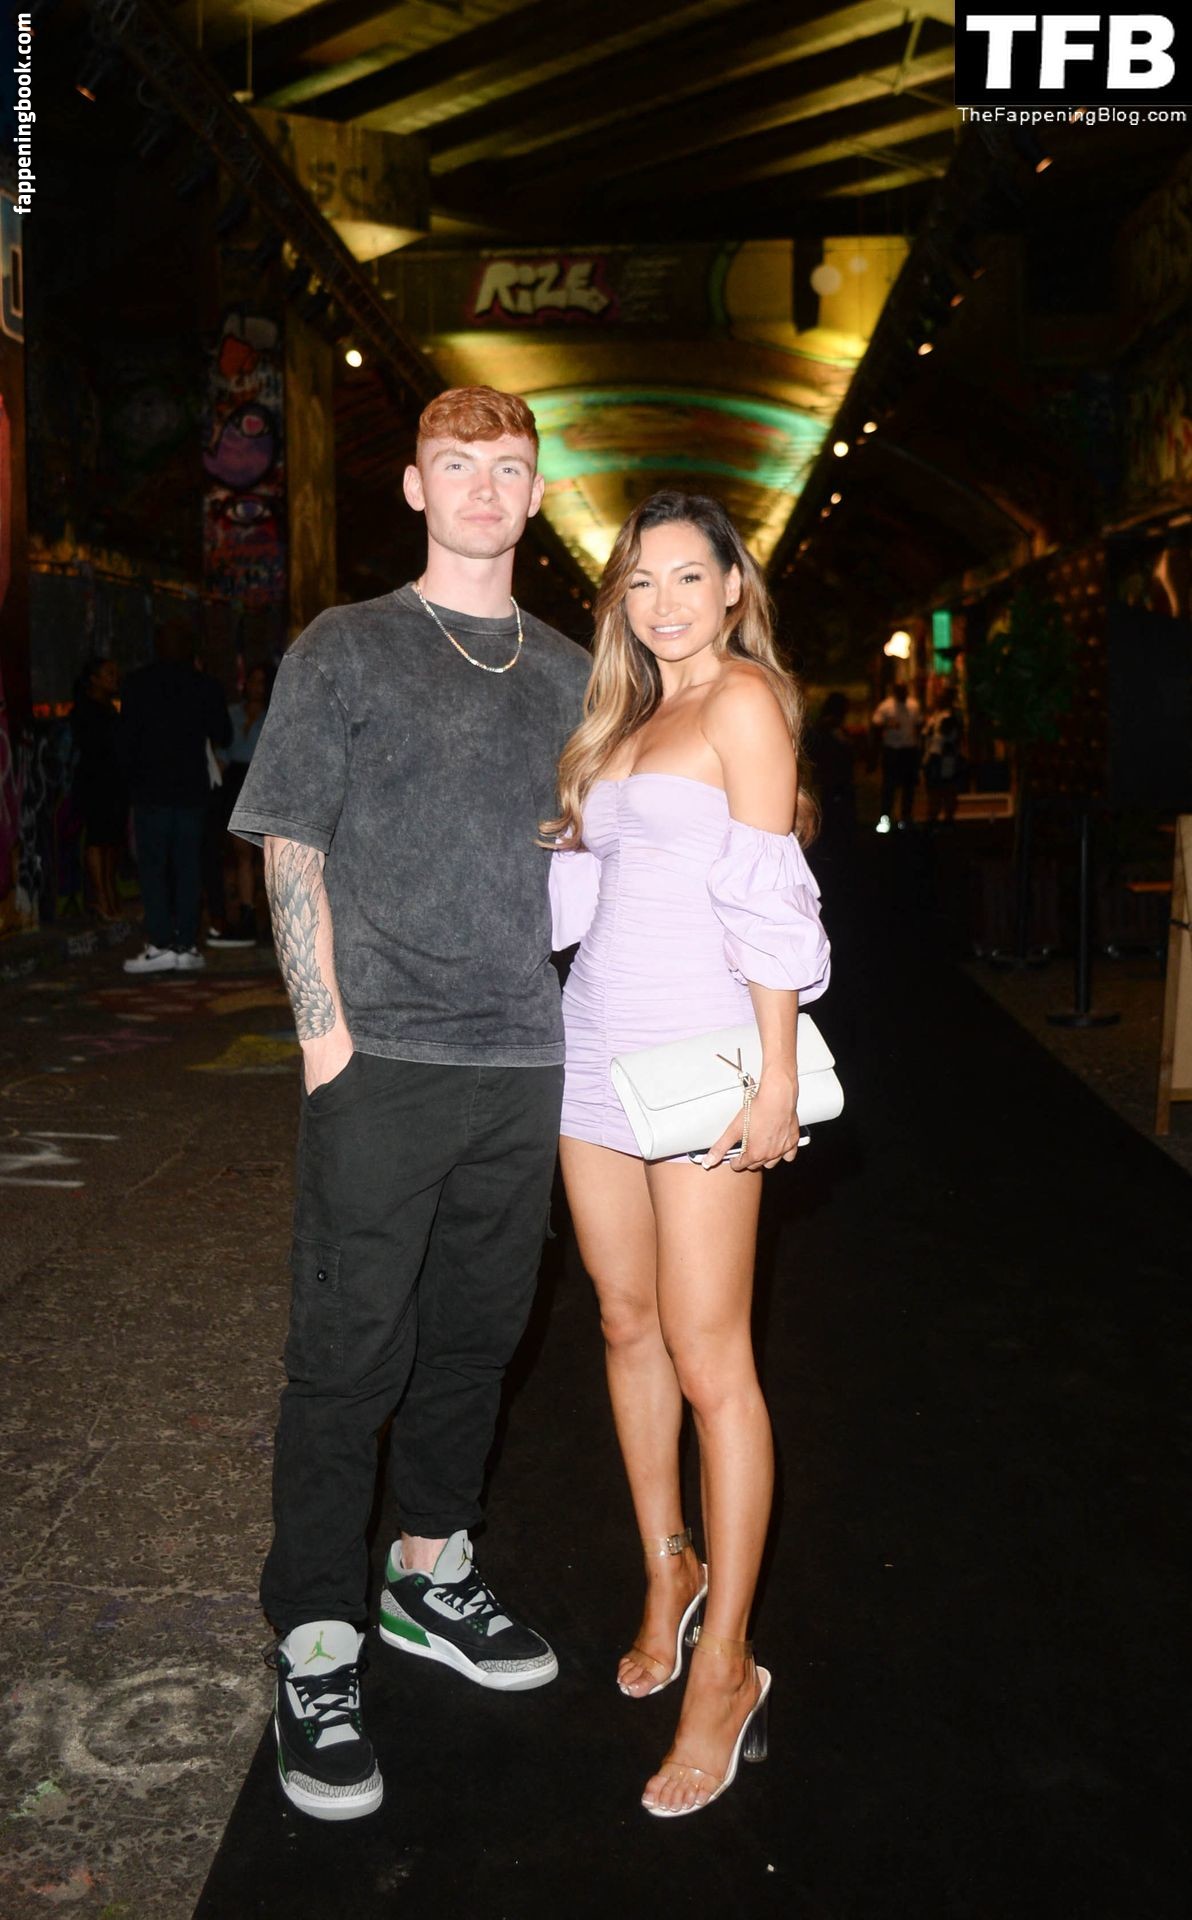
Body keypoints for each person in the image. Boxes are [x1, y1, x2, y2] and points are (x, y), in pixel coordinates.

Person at [229, 387, 590, 1822]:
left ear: (537, 491)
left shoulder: (576, 672)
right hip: (381, 1059)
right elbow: (289, 845)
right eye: (459, 465)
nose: (485, 489)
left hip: (526, 1061)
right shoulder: (347, 644)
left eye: (508, 467)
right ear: (415, 486)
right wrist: (328, 1046)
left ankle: (429, 1573)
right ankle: (317, 1639)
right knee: (346, 1360)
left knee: (478, 1340)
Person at [546, 491, 830, 1818]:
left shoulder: (745, 704)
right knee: (623, 1320)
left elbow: (768, 894)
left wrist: (777, 1076)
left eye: (686, 577)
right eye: (639, 581)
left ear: (730, 589)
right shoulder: (617, 718)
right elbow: (599, 891)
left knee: (715, 1359)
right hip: (592, 1046)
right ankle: (670, 1567)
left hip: (705, 1054)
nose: (662, 602)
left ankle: (728, 1665)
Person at [120, 621, 231, 973]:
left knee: (154, 868)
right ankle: (186, 944)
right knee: (188, 867)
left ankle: (160, 942)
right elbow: (224, 733)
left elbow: (126, 740)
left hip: (151, 790)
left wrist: (131, 781)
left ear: (156, 646)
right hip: (191, 792)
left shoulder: (137, 683)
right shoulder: (204, 685)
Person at [205, 661, 273, 947]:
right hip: (234, 783)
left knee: (265, 855)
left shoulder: (274, 714)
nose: (256, 687)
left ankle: (269, 916)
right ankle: (247, 913)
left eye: (261, 682)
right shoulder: (232, 713)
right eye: (252, 681)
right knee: (241, 850)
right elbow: (222, 753)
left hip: (263, 782)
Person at [70, 654, 127, 921]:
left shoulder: (110, 709)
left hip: (114, 781)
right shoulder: (85, 711)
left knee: (113, 840)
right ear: (93, 680)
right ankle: (100, 897)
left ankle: (109, 891)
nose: (115, 679)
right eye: (108, 674)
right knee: (98, 838)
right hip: (95, 781)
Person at [804, 689, 856, 855]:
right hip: (834, 776)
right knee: (834, 812)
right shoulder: (829, 726)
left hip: (832, 776)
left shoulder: (828, 725)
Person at [872, 679, 922, 829]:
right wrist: (888, 725)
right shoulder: (886, 706)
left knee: (908, 786)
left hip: (909, 750)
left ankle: (906, 819)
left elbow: (919, 724)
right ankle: (885, 819)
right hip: (892, 750)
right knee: (889, 786)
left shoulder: (913, 705)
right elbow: (876, 723)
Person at [922, 685, 966, 826]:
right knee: (933, 788)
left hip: (947, 757)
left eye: (941, 697)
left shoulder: (953, 714)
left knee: (947, 787)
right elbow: (928, 734)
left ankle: (947, 818)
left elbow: (952, 734)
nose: (938, 699)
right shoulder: (935, 715)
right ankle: (933, 817)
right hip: (933, 756)